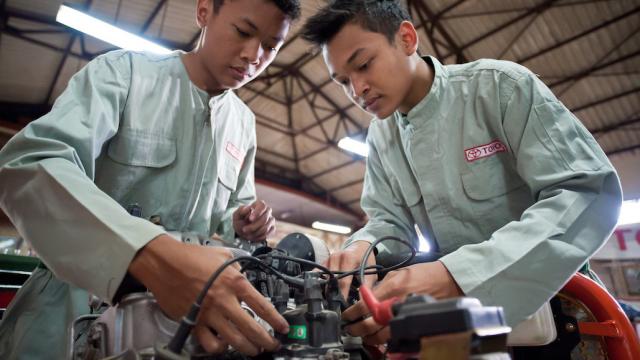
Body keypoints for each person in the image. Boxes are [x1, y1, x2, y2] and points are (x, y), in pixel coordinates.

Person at [301, 0, 622, 345]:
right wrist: (365, 245)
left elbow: (586, 192)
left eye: (364, 64)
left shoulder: (499, 88)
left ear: (407, 39)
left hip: (560, 314)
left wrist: (457, 276)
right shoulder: (382, 136)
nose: (357, 89)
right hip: (463, 325)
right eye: (343, 81)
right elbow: (389, 221)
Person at [0, 0, 300, 358]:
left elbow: (231, 209)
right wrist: (145, 252)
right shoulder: (125, 74)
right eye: (243, 31)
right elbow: (30, 164)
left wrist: (243, 220)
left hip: (176, 324)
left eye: (270, 46)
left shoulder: (244, 124)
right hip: (69, 314)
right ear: (204, 11)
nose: (254, 55)